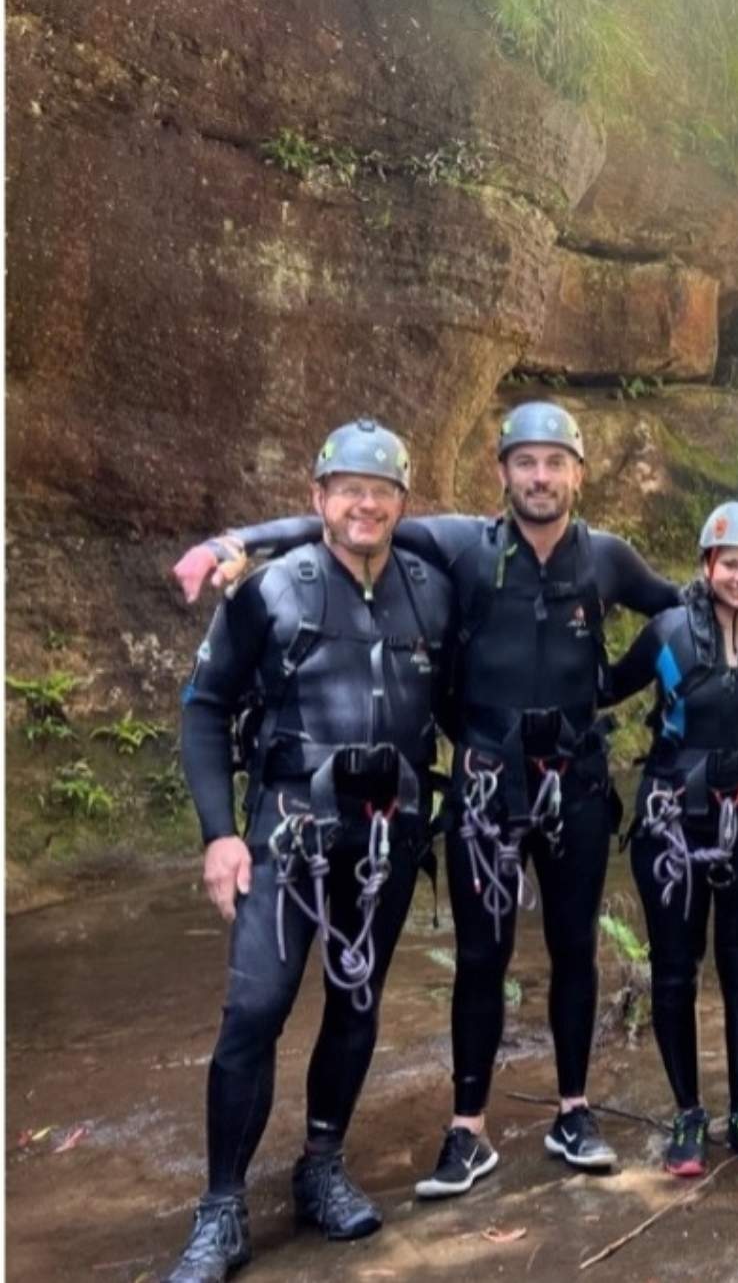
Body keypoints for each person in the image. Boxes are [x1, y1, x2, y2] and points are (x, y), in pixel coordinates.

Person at [173, 401, 678, 1198]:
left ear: (579, 474)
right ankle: (464, 1131)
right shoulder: (459, 546)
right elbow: (348, 526)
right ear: (502, 471)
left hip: (569, 784)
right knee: (470, 959)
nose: (540, 476)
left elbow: (677, 608)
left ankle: (572, 1113)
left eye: (555, 462)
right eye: (525, 461)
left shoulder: (604, 558)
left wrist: (615, 683)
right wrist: (237, 542)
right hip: (474, 790)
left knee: (569, 947)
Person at [166, 419, 453, 1283]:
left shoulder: (432, 593)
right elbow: (204, 707)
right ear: (318, 497)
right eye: (349, 489)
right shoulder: (268, 591)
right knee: (256, 1009)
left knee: (357, 1003)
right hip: (288, 829)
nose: (366, 505)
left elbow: (464, 703)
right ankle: (222, 1207)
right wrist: (219, 834)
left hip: (387, 832)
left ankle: (321, 1165)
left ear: (403, 502)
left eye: (382, 491)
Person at [605, 503, 738, 1176]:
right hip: (672, 824)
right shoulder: (667, 631)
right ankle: (688, 1113)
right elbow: (603, 687)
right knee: (674, 966)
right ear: (706, 565)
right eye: (730, 564)